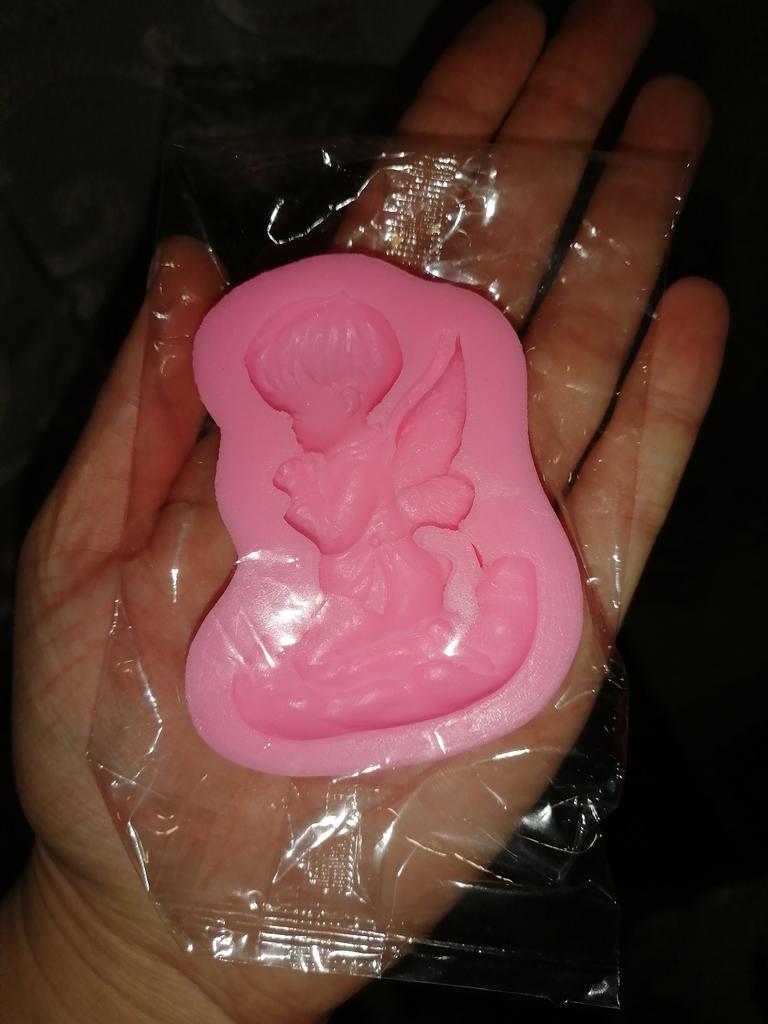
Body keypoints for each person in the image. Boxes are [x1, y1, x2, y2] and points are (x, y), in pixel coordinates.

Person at [0, 1, 728, 1021]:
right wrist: (112, 946)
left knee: (352, 644)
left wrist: (323, 496)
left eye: (307, 404)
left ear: (344, 394)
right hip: (357, 591)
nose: (296, 425)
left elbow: (346, 522)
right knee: (326, 653)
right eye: (289, 406)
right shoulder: (329, 447)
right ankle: (394, 661)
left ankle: (453, 638)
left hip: (391, 581)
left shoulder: (358, 452)